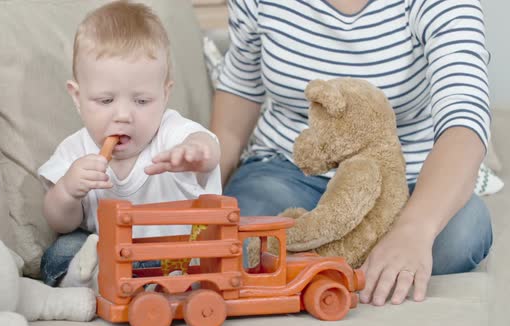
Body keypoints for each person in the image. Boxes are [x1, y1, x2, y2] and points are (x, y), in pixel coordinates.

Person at [211, 0, 492, 306]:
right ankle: (361, 265)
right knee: (245, 231)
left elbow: (464, 121)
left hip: (404, 185)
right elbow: (239, 92)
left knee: (463, 233)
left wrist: (414, 230)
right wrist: (203, 198)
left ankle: (324, 266)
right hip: (287, 171)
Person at [38, 1, 221, 290]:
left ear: (164, 94)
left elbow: (208, 146)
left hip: (170, 253)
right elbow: (59, 222)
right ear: (77, 97)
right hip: (107, 252)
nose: (123, 115)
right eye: (106, 101)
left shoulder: (169, 133)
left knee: (203, 250)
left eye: (141, 101)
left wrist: (196, 153)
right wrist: (68, 191)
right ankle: (94, 278)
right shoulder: (75, 150)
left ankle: (140, 284)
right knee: (60, 251)